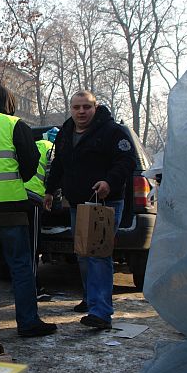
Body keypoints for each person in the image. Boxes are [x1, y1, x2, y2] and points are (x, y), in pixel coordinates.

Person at [0, 83, 57, 337]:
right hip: (10, 209)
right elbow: (29, 167)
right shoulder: (14, 125)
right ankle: (27, 322)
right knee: (20, 266)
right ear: (9, 101)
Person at [43, 91, 136, 330]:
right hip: (78, 204)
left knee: (97, 254)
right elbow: (59, 164)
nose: (81, 111)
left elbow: (127, 162)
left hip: (104, 203)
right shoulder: (65, 132)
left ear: (95, 107)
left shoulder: (112, 132)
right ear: (71, 109)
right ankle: (91, 299)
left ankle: (101, 312)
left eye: (86, 107)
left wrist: (109, 182)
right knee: (84, 253)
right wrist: (50, 190)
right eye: (76, 107)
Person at [24, 128, 58, 301]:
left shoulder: (35, 144)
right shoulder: (52, 149)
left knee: (22, 245)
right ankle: (33, 288)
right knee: (33, 246)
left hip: (18, 195)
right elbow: (53, 176)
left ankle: (23, 286)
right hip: (35, 199)